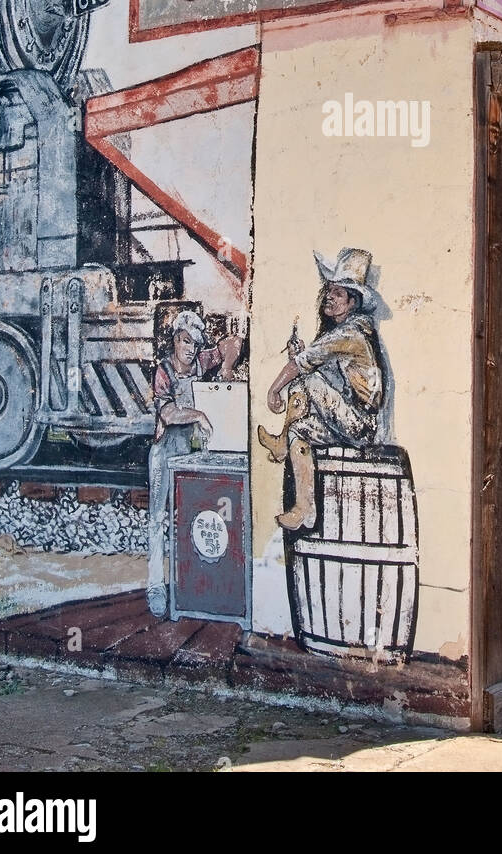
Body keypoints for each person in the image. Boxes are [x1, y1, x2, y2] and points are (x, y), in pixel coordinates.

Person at [258, 249, 384, 532]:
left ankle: (280, 443)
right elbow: (328, 372)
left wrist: (274, 390)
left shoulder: (350, 333)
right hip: (350, 421)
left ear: (352, 302)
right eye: (329, 289)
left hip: (360, 425)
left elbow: (305, 365)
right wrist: (303, 357)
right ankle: (305, 509)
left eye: (338, 293)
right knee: (298, 431)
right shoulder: (344, 333)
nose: (329, 296)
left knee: (305, 380)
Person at [147, 309, 242, 618]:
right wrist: (199, 415)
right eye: (185, 341)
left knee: (191, 517)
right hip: (166, 452)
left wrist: (226, 366)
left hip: (191, 452)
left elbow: (234, 343)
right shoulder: (163, 371)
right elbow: (169, 414)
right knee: (158, 518)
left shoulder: (201, 362)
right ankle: (155, 584)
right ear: (175, 340)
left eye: (195, 344)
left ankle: (189, 583)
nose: (190, 349)